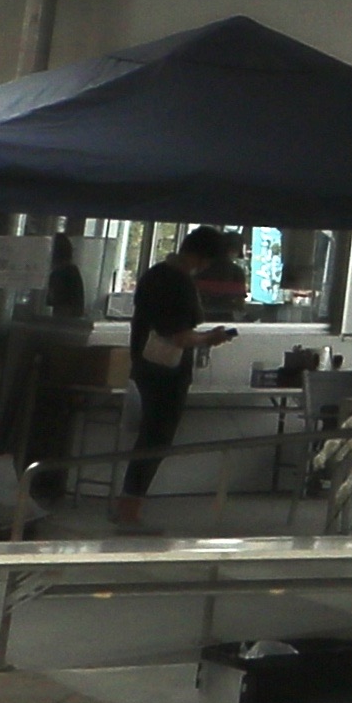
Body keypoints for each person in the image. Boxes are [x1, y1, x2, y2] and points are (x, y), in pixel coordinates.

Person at [113, 227, 245, 529]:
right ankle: (129, 509)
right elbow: (179, 336)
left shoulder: (154, 274)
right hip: (166, 372)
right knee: (156, 438)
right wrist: (208, 338)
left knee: (149, 436)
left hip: (143, 365)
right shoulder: (179, 283)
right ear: (203, 257)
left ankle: (128, 505)